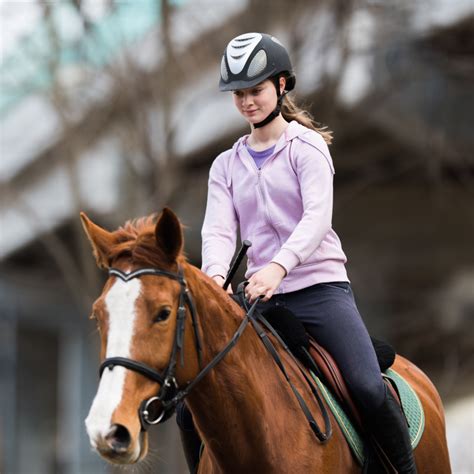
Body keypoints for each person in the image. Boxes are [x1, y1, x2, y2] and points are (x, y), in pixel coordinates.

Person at [177, 32, 417, 473]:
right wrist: (214, 278)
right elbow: (217, 230)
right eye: (239, 95)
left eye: (256, 91)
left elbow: (316, 220)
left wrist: (277, 267)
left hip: (319, 290)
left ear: (282, 85)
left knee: (366, 387)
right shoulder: (225, 166)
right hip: (256, 301)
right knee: (191, 401)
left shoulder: (307, 148)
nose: (247, 102)